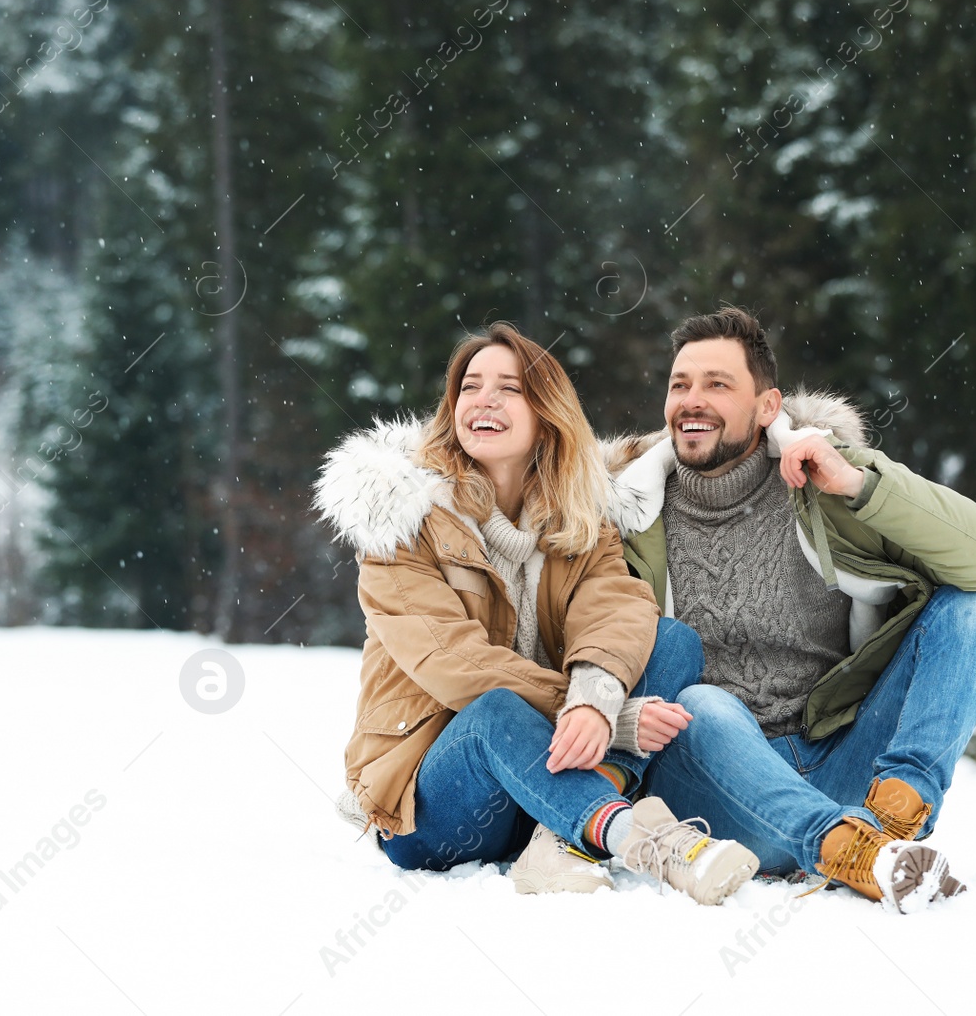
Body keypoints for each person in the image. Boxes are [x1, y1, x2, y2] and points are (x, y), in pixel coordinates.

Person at [314, 323, 757, 901]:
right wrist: (608, 714)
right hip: (434, 805)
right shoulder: (400, 526)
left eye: (509, 388)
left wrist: (598, 696)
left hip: (537, 789)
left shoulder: (577, 517)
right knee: (496, 710)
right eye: (470, 386)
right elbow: (456, 666)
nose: (484, 400)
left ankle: (559, 840)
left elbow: (617, 609)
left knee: (670, 641)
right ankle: (640, 839)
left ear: (546, 414)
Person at [604, 307, 976, 912]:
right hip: (716, 786)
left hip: (840, 757)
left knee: (971, 610)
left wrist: (860, 484)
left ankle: (884, 831)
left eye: (718, 385)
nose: (692, 401)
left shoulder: (823, 485)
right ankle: (838, 843)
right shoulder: (627, 515)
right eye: (680, 385)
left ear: (768, 407)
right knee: (702, 704)